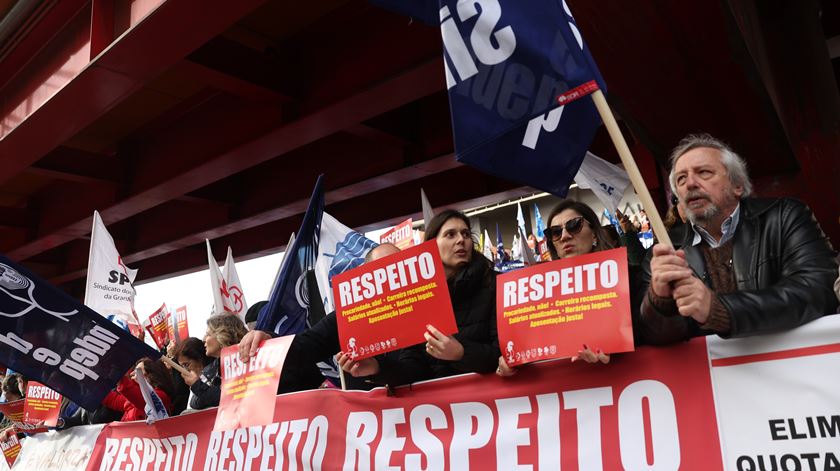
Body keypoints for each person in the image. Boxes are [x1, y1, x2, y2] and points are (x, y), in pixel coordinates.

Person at [640, 133, 838, 343]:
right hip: (712, 374)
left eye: (703, 172)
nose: (690, 184)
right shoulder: (665, 248)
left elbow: (818, 290)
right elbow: (653, 337)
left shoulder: (784, 216)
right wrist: (659, 303)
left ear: (738, 186)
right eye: (681, 179)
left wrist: (718, 308)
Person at [337, 209, 500, 385]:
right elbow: (414, 367)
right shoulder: (417, 294)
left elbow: (503, 354)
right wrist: (377, 368)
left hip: (494, 405)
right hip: (442, 409)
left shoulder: (493, 284)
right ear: (431, 245)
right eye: (450, 234)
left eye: (466, 234)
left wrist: (461, 353)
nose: (461, 240)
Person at [237, 243, 402, 392]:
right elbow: (307, 346)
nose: (390, 275)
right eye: (381, 269)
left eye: (398, 267)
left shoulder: (423, 307)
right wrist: (269, 339)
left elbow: (419, 365)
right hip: (370, 419)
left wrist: (378, 368)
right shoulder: (349, 315)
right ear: (365, 275)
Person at [497, 200, 620, 376]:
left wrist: (618, 352)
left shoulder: (625, 277)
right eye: (555, 232)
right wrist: (511, 364)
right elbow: (531, 348)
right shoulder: (535, 293)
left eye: (574, 225)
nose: (564, 236)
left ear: (594, 233)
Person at [181, 314, 248, 409]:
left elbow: (230, 397)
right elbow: (194, 402)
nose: (204, 339)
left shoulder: (247, 362)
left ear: (223, 334)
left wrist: (198, 386)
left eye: (208, 334)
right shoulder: (211, 369)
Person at [102, 358, 173, 422]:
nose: (132, 373)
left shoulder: (162, 397)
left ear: (150, 375)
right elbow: (115, 400)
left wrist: (121, 380)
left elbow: (145, 400)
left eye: (137, 371)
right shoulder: (136, 396)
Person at [172, 337, 212, 413]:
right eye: (182, 366)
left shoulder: (214, 374)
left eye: (186, 364)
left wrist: (196, 384)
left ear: (200, 358)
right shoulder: (198, 379)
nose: (185, 370)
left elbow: (198, 402)